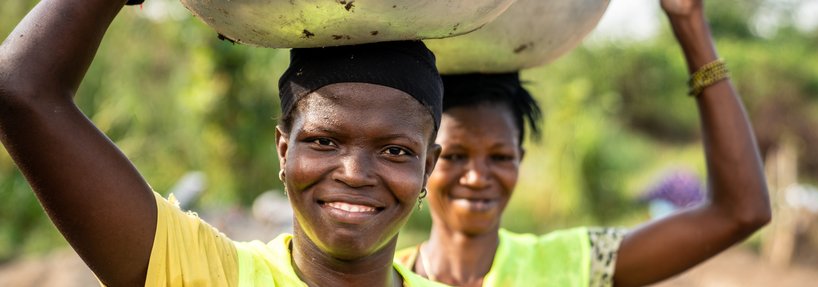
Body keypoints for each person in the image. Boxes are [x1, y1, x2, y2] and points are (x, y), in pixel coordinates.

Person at [0, 0, 449, 286]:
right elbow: (22, 90)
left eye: (396, 151)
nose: (353, 173)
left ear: (428, 167)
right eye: (324, 142)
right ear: (283, 150)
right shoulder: (209, 274)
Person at [395, 0, 772, 286]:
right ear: (427, 161)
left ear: (520, 160)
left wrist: (688, 21)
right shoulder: (382, 275)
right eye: (457, 156)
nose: (477, 177)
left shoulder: (574, 264)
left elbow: (741, 212)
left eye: (500, 156)